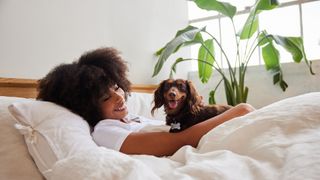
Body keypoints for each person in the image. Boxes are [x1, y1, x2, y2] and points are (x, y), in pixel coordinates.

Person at [37, 47, 255, 157]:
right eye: (105, 97)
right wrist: (239, 111)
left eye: (116, 87)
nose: (119, 97)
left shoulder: (131, 119)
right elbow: (178, 141)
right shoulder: (105, 131)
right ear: (87, 107)